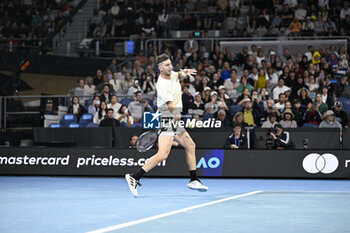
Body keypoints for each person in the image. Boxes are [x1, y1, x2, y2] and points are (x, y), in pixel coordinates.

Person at [125, 54, 208, 197]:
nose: (170, 67)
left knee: (190, 145)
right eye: (167, 65)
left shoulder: (172, 74)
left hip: (173, 119)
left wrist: (185, 72)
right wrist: (175, 114)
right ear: (160, 68)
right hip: (168, 117)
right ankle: (134, 177)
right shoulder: (161, 84)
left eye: (170, 64)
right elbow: (169, 104)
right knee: (163, 154)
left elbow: (179, 74)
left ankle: (194, 179)